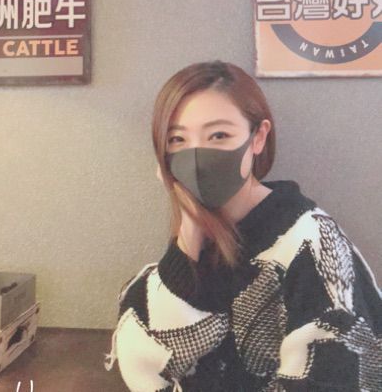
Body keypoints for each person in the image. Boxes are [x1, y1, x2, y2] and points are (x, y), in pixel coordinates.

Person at [104, 61, 382, 391]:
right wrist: (188, 237)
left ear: (258, 138)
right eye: (177, 139)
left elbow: (337, 372)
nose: (197, 155)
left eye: (219, 135)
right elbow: (144, 355)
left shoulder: (309, 237)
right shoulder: (196, 237)